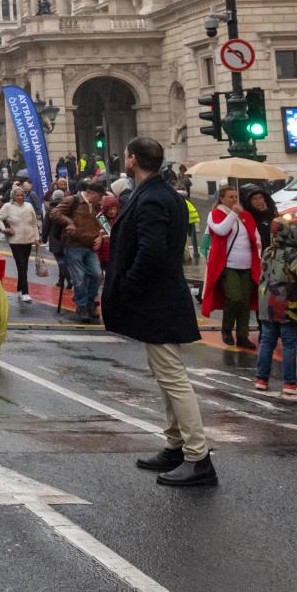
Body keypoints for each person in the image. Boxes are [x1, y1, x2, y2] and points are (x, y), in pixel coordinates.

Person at [103, 137, 215, 488]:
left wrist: (128, 285)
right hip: (163, 296)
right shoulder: (162, 193)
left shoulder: (151, 197)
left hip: (158, 299)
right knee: (166, 374)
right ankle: (176, 444)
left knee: (173, 378)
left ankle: (198, 456)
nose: (124, 159)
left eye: (125, 155)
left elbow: (151, 252)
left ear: (132, 159)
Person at [254, 220, 297, 397]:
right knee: (289, 344)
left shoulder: (267, 251)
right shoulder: (293, 255)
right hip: (287, 305)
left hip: (266, 303)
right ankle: (290, 382)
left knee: (266, 341)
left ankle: (261, 379)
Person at [202, 185, 260, 349]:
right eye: (230, 197)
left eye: (236, 197)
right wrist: (234, 213)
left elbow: (255, 237)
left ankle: (243, 335)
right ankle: (226, 329)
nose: (234, 200)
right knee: (234, 297)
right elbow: (221, 230)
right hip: (228, 265)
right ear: (221, 199)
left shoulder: (246, 215)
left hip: (247, 264)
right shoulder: (215, 214)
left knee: (245, 302)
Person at [53, 182, 106, 323]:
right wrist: (68, 222)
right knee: (79, 278)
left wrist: (100, 237)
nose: (101, 200)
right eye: (100, 196)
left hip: (90, 246)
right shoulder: (73, 200)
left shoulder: (96, 205)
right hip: (74, 246)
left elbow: (103, 224)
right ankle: (82, 306)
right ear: (92, 194)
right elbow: (54, 213)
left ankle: (89, 302)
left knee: (97, 275)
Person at [0, 183, 41, 303]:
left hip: (28, 239)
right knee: (21, 265)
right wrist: (4, 229)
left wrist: (37, 238)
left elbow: (34, 223)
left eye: (22, 195)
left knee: (24, 265)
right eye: (18, 195)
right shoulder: (7, 206)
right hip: (15, 240)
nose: (20, 197)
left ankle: (21, 289)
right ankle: (25, 291)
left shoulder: (29, 206)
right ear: (13, 196)